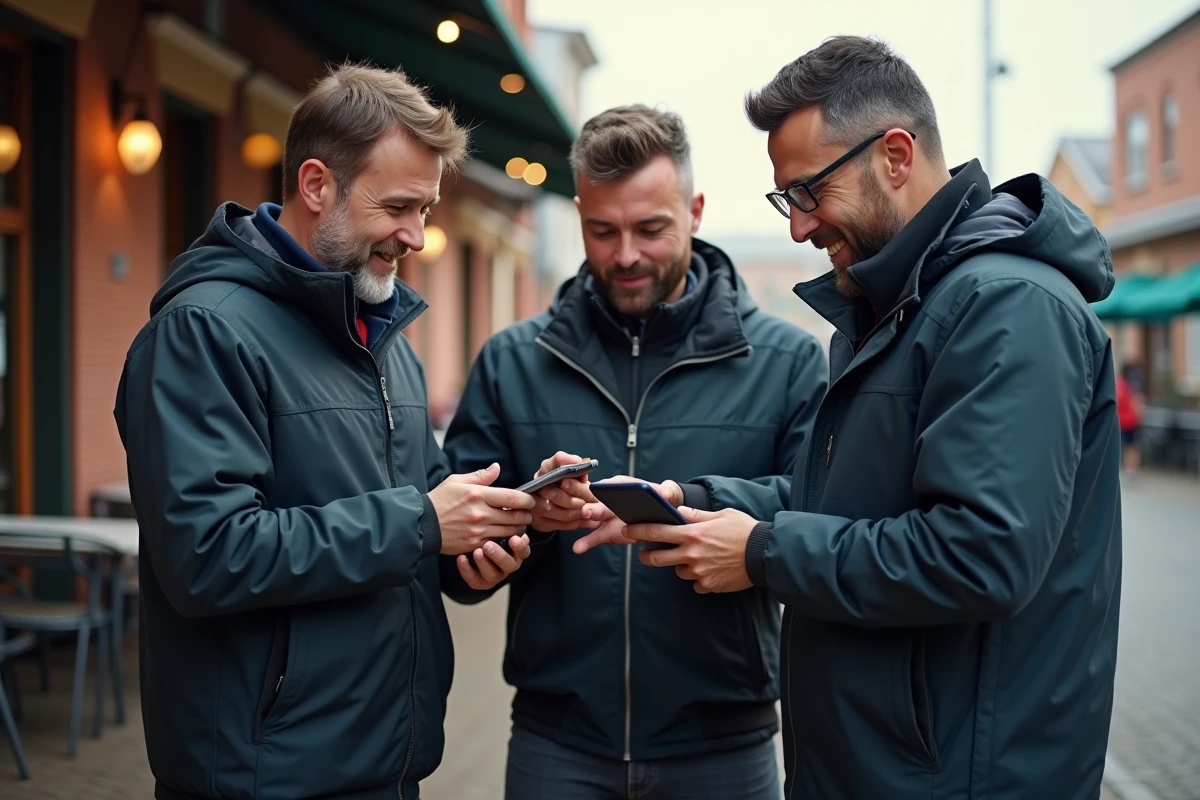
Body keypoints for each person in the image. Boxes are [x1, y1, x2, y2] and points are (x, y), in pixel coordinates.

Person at [577, 36, 1122, 800]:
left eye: (808, 191)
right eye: (785, 201)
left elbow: (981, 554)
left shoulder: (1007, 307)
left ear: (895, 156)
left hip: (954, 779)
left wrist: (762, 553)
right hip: (883, 769)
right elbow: (848, 501)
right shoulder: (901, 308)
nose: (799, 228)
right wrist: (696, 504)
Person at [114, 64, 537, 800]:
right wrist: (421, 523)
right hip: (262, 776)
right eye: (398, 206)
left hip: (387, 767)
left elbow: (417, 518)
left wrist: (485, 540)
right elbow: (208, 557)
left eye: (427, 209)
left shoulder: (385, 338)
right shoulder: (202, 333)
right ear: (315, 185)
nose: (416, 236)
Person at [441, 105, 827, 799]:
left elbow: (821, 516)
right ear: (579, 215)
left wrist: (699, 505)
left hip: (724, 748)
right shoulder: (510, 362)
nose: (625, 255)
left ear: (695, 212)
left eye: (650, 229)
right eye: (602, 231)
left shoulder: (788, 361)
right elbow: (455, 561)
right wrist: (523, 524)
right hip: (557, 744)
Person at [1116, 361, 1144, 475]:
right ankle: (1131, 469)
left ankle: (1130, 469)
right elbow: (1137, 402)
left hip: (1125, 421)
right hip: (1130, 421)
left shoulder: (1120, 384)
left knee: (1129, 446)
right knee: (1132, 446)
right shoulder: (1131, 385)